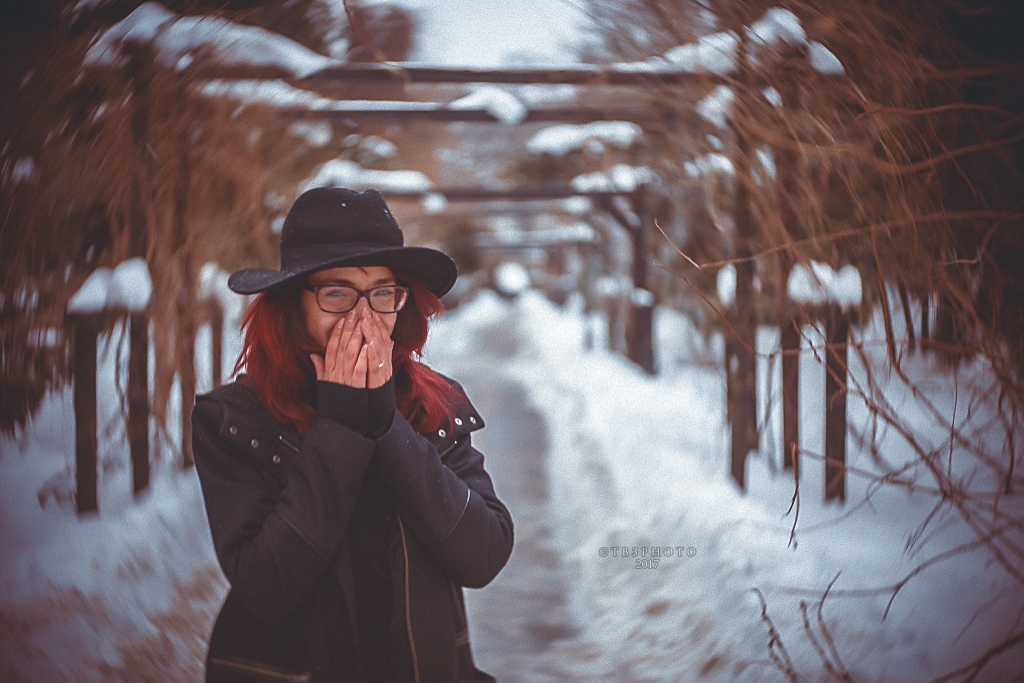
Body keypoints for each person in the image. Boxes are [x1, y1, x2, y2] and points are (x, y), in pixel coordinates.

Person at [191, 187, 514, 683]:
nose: (364, 318)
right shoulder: (234, 420)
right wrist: (341, 428)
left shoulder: (433, 405)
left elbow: (483, 553)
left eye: (382, 292)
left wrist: (385, 423)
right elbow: (267, 586)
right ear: (292, 304)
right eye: (337, 293)